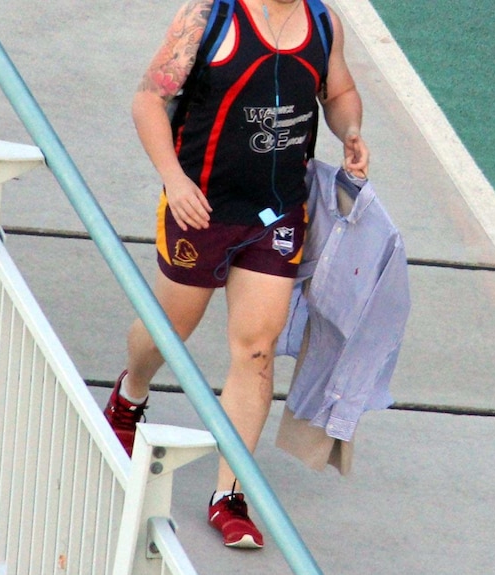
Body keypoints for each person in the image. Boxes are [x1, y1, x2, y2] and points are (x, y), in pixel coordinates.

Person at [104, 0, 369, 549]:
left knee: (256, 349)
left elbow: (338, 92)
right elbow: (149, 100)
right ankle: (130, 395)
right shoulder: (210, 15)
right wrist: (175, 181)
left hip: (276, 214)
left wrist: (350, 131)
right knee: (167, 332)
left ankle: (231, 494)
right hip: (200, 208)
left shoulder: (323, 23)